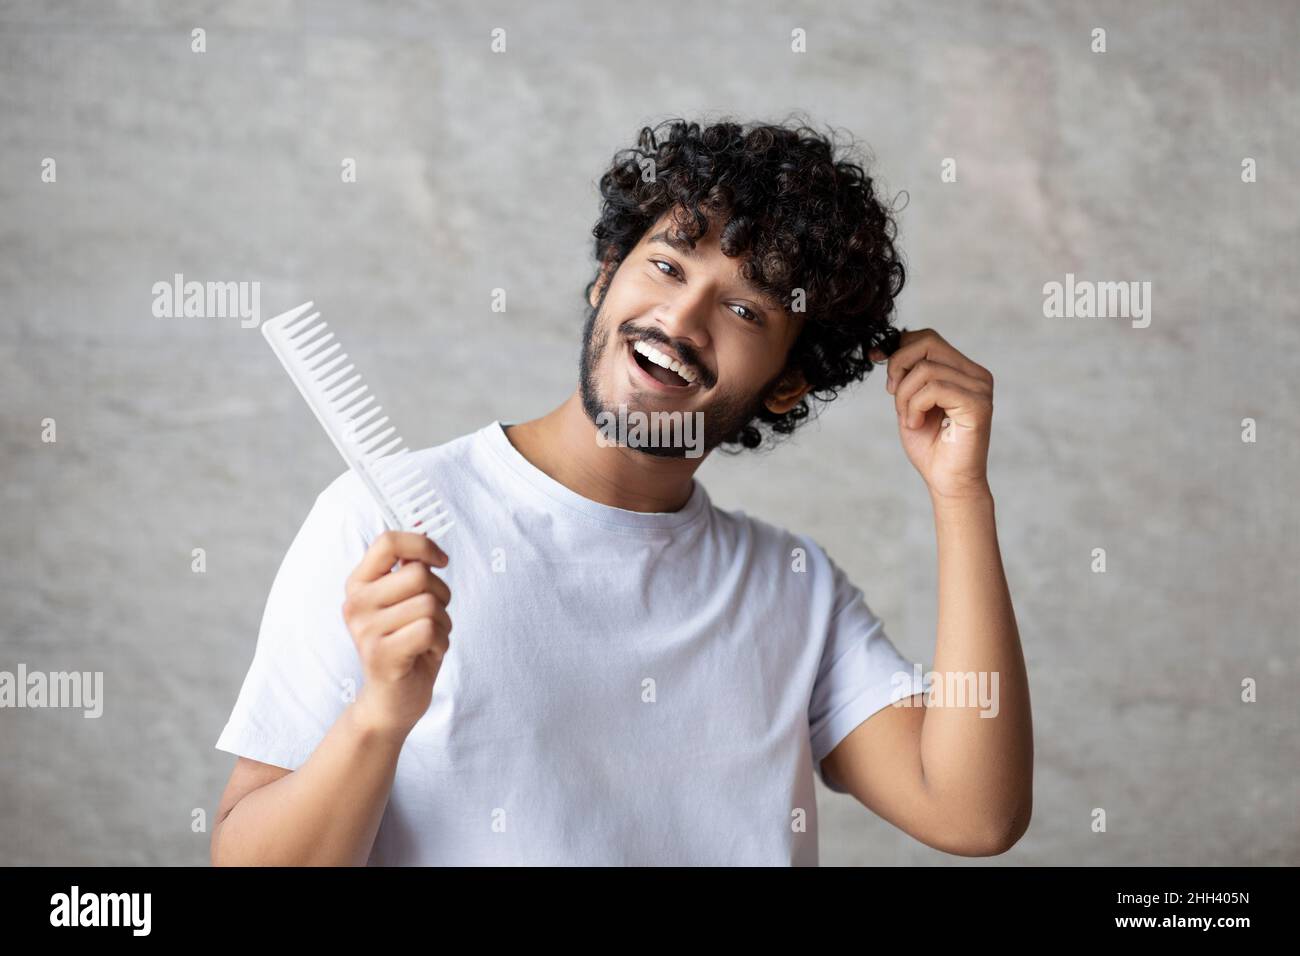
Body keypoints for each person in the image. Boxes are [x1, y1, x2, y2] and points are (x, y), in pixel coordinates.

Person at [211, 116, 1032, 866]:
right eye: (667, 265)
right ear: (607, 277)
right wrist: (378, 718)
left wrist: (961, 496)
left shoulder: (794, 587)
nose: (680, 319)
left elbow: (973, 814)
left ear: (789, 384)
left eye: (745, 309)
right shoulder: (377, 523)